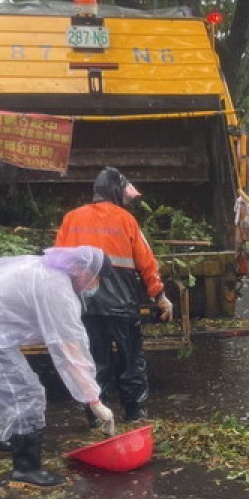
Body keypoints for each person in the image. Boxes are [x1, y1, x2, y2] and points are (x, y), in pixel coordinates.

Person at [0, 246, 116, 489]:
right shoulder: (56, 288)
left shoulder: (39, 265)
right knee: (26, 393)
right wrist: (94, 401)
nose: (94, 284)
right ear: (81, 269)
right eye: (95, 277)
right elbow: (71, 351)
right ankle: (26, 469)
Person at [55, 167, 173, 426]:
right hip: (122, 305)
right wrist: (160, 296)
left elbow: (57, 263)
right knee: (131, 361)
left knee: (94, 361)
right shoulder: (126, 220)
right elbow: (146, 262)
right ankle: (134, 414)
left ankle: (95, 417)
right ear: (116, 192)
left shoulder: (71, 218)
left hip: (85, 305)